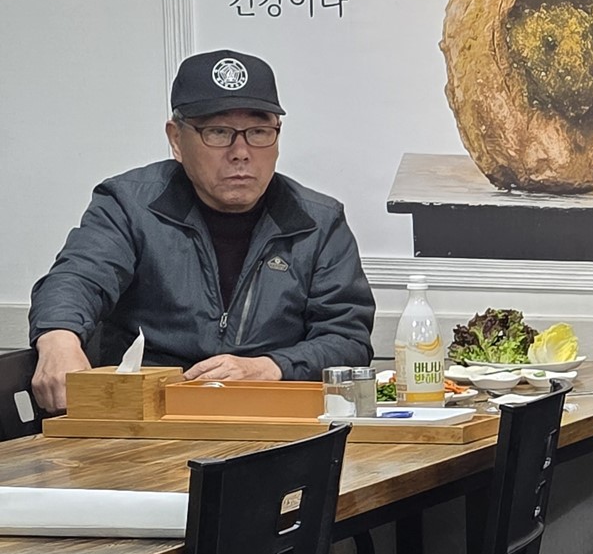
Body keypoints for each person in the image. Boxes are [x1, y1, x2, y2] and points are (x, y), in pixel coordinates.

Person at [28, 50, 373, 411]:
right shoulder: (130, 205)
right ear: (176, 139)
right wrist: (58, 339)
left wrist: (271, 367)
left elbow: (347, 339)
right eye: (218, 132)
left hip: (273, 416)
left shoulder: (318, 222)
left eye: (258, 132)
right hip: (149, 413)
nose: (241, 153)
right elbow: (77, 277)